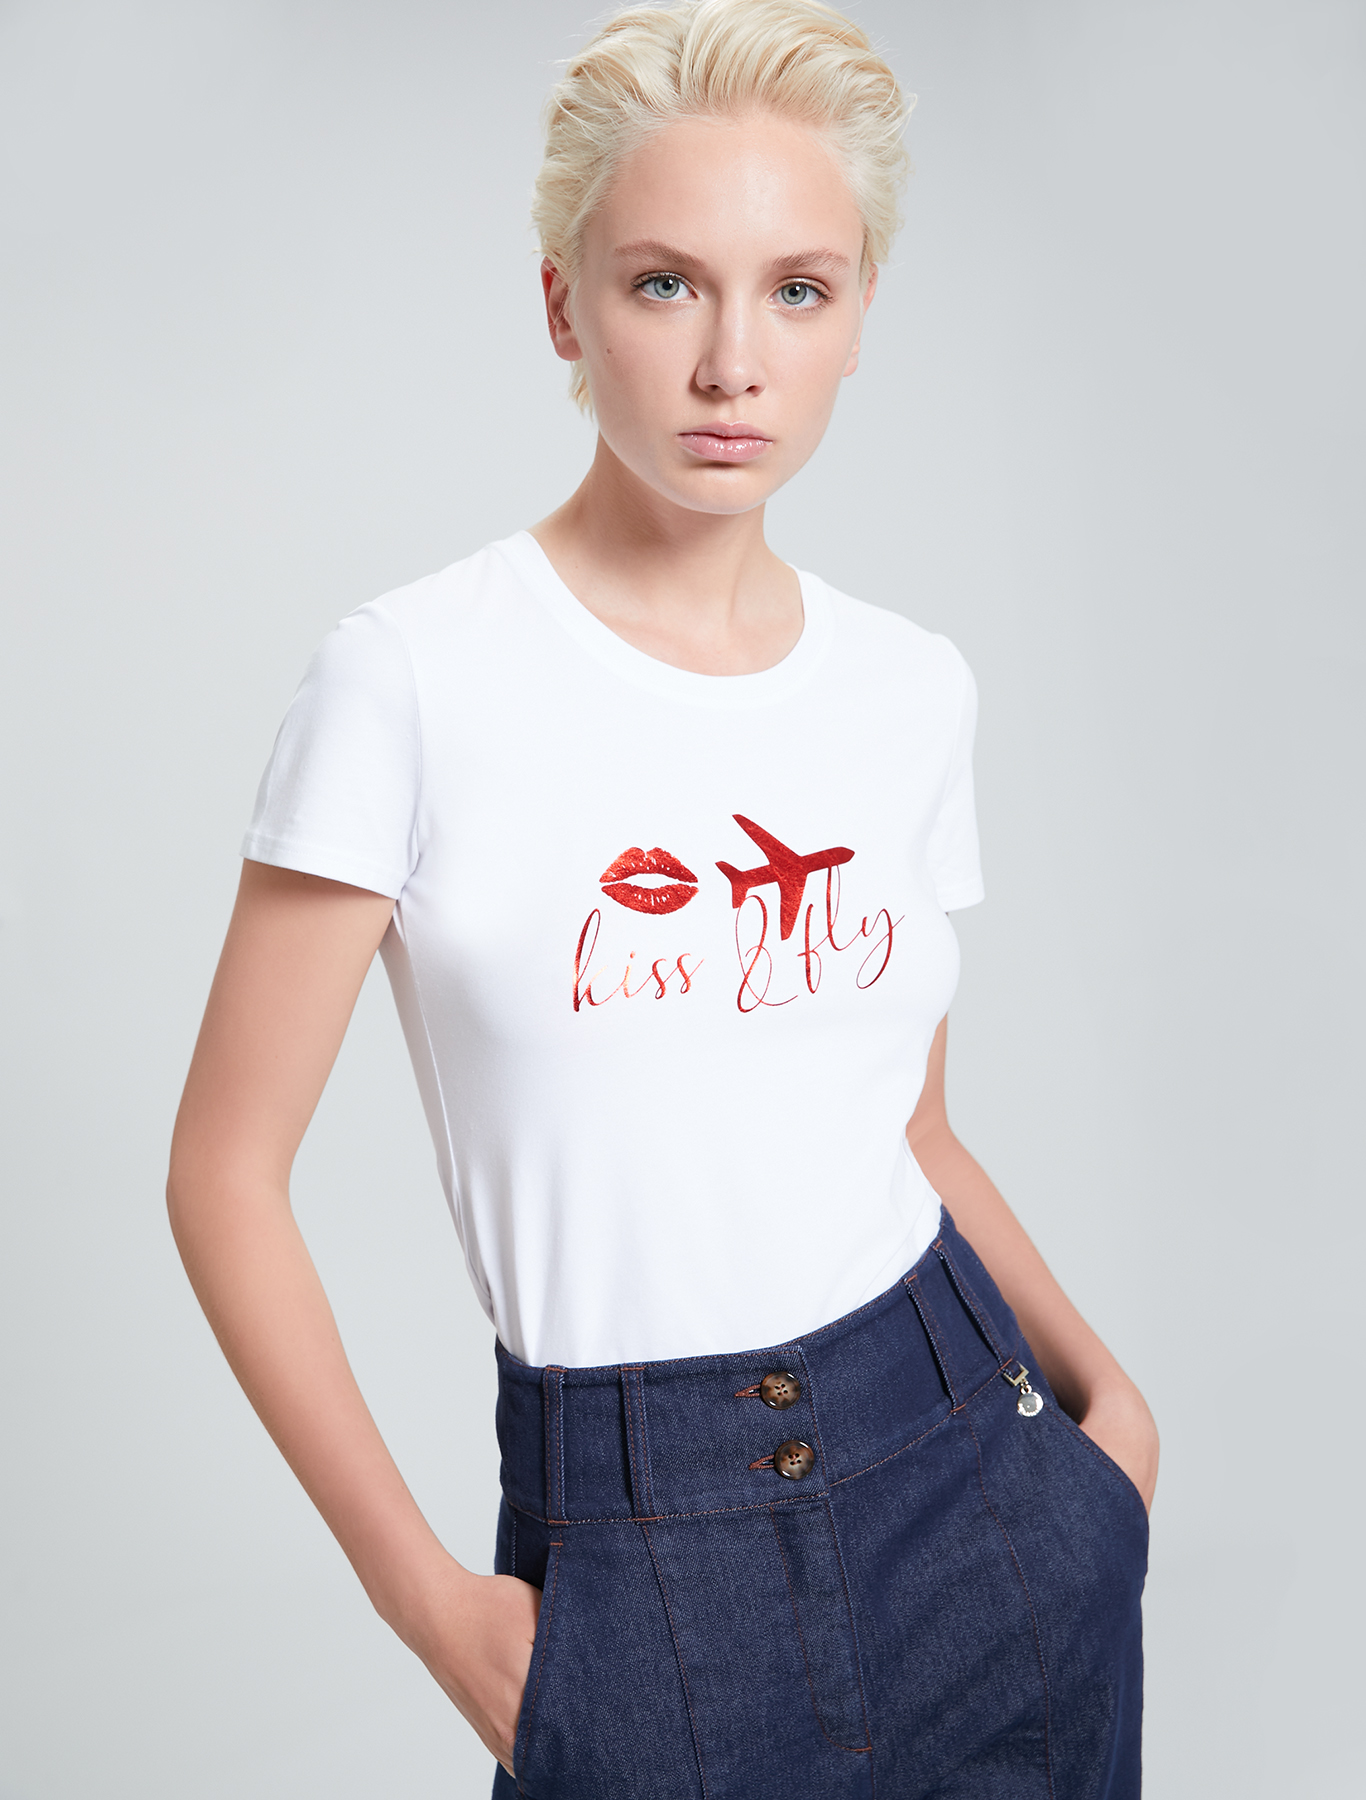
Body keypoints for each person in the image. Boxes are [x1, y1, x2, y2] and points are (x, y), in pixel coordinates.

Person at [167, 2, 1159, 1794]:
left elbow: (909, 1127)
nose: (730, 364)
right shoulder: (413, 679)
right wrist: (434, 1609)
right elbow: (223, 1175)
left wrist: (1110, 1419)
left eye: (797, 290)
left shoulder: (908, 687)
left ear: (859, 317)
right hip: (641, 1562)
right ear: (564, 308)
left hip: (979, 1491)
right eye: (662, 285)